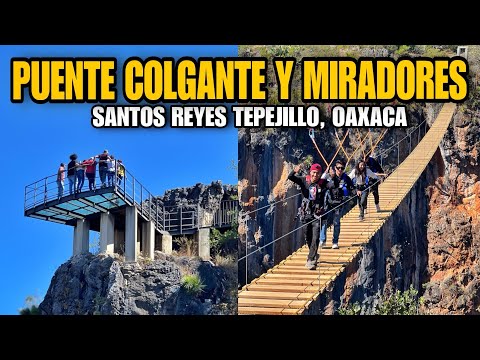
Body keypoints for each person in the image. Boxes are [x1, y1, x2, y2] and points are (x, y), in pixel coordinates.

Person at [288, 163, 328, 270]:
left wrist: (333, 177)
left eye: (318, 173)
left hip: (317, 215)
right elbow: (290, 177)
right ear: (310, 172)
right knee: (308, 236)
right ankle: (313, 253)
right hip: (306, 214)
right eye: (314, 172)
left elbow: (333, 186)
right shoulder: (304, 180)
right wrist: (295, 170)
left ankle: (310, 259)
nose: (315, 175)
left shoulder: (323, 183)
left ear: (320, 174)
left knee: (316, 237)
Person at [320, 159, 355, 249]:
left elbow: (352, 187)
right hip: (329, 203)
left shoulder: (346, 178)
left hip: (339, 204)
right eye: (338, 168)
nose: (340, 170)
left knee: (336, 223)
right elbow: (323, 185)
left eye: (342, 168)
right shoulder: (330, 176)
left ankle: (335, 242)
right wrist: (330, 177)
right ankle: (322, 240)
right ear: (335, 168)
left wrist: (356, 191)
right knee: (324, 221)